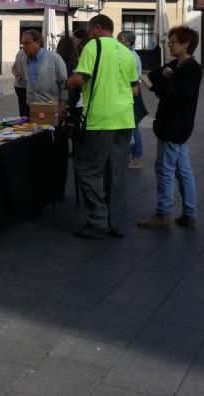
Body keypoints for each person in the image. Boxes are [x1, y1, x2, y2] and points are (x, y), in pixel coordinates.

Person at [66, 15, 139, 240]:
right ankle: (113, 223)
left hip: (100, 118)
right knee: (116, 173)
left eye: (89, 30)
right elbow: (135, 90)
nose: (88, 34)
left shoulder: (93, 46)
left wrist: (68, 82)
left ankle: (97, 221)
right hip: (125, 119)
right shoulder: (127, 52)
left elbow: (80, 79)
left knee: (88, 169)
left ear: (97, 29)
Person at [137, 26, 203, 230]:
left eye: (173, 41)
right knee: (183, 170)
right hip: (174, 126)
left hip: (174, 126)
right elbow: (156, 74)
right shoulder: (176, 65)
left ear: (186, 44)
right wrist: (166, 73)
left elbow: (177, 96)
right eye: (169, 41)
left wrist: (156, 86)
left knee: (165, 169)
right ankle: (189, 214)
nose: (169, 45)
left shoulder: (192, 69)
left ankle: (163, 214)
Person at [17, 29, 70, 201]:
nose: (24, 47)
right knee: (35, 149)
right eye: (22, 43)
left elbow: (64, 83)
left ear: (37, 42)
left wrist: (63, 105)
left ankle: (51, 189)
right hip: (31, 108)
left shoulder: (54, 58)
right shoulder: (24, 59)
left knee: (50, 149)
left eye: (27, 43)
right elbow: (20, 75)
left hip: (51, 108)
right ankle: (37, 186)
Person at [117, 30, 147, 168]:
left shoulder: (130, 56)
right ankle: (132, 155)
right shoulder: (130, 54)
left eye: (121, 39)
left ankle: (136, 157)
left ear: (128, 42)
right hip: (131, 91)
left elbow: (133, 79)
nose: (118, 41)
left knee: (133, 125)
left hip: (131, 92)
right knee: (131, 125)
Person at [10, 42, 29, 117]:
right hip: (25, 86)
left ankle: (22, 124)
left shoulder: (19, 52)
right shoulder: (28, 53)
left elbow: (13, 67)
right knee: (28, 110)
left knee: (22, 108)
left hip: (18, 85)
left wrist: (17, 75)